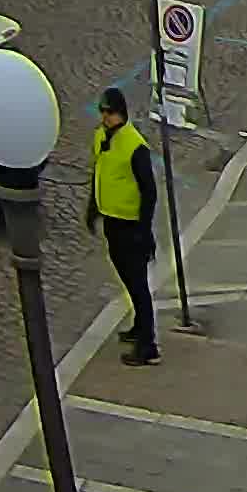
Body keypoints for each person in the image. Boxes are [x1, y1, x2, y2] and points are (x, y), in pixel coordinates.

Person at [90, 89, 163, 364]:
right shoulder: (101, 137)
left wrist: (144, 232)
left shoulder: (135, 146)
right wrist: (92, 208)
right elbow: (98, 172)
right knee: (128, 280)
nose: (105, 117)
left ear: (121, 113)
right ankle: (139, 327)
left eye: (110, 112)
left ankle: (148, 345)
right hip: (112, 220)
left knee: (138, 284)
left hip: (131, 226)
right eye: (102, 111)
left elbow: (149, 191)